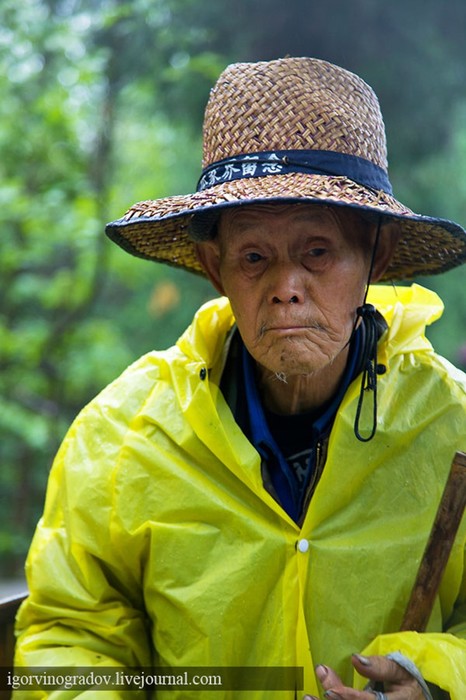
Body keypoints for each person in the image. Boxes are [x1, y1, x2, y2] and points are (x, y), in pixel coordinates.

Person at [13, 57, 466, 700]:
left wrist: (434, 680)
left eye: (317, 252)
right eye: (255, 257)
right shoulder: (123, 434)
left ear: (378, 257)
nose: (286, 290)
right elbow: (67, 637)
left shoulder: (453, 423)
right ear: (214, 267)